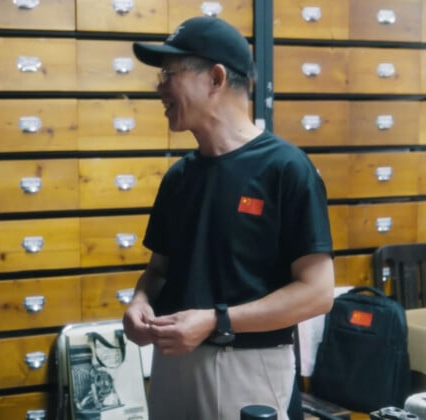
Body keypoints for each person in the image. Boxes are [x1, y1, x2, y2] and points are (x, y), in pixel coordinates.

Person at [122, 16, 335, 419]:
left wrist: (216, 320)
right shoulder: (178, 178)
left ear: (216, 79)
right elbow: (159, 271)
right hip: (172, 366)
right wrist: (140, 301)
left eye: (170, 73)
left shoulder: (286, 169)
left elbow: (318, 292)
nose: (159, 87)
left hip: (250, 368)